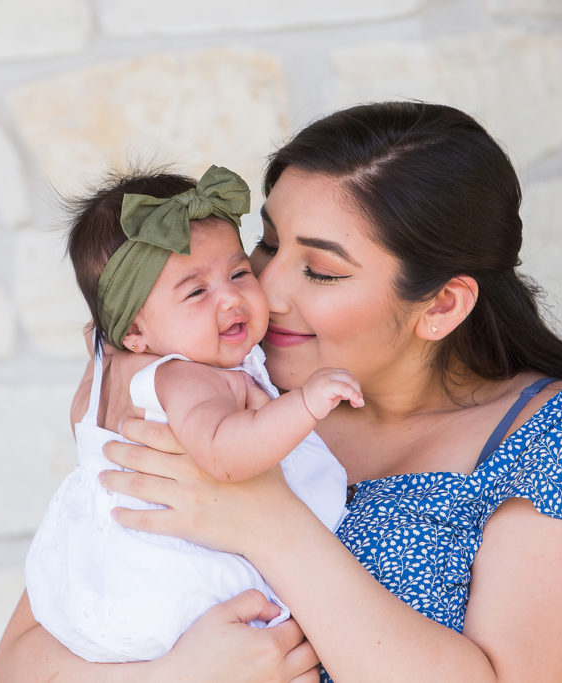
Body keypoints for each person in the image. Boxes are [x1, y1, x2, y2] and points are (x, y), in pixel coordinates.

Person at [0, 101, 562, 682]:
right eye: (264, 247)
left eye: (321, 272)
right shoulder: (218, 387)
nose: (267, 290)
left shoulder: (560, 444)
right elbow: (19, 662)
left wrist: (268, 520)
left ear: (442, 305)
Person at [25, 165, 357, 663]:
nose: (231, 297)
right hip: (179, 585)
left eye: (239, 272)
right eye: (196, 291)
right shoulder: (181, 377)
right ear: (135, 332)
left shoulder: (104, 371)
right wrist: (305, 403)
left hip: (93, 578)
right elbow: (226, 454)